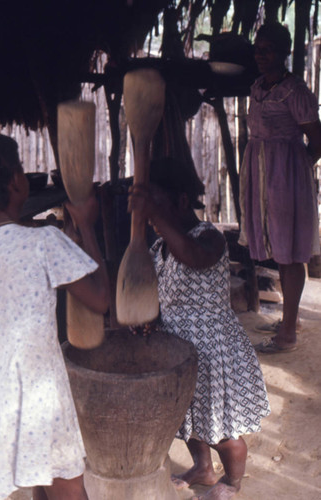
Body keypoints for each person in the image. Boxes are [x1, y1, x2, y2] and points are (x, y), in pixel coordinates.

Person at [128, 157, 270, 500]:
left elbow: (193, 256)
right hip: (179, 350)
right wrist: (151, 319)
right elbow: (164, 293)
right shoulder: (159, 246)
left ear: (179, 201)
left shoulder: (208, 237)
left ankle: (233, 481)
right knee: (188, 418)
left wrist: (156, 215)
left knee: (222, 427)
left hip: (214, 352)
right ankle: (202, 468)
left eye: (156, 205)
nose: (149, 216)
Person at [0, 133, 110, 500]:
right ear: (15, 182)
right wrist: (86, 226)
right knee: (64, 485)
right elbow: (101, 299)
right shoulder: (41, 243)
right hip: (39, 395)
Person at [239, 22, 321, 353]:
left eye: (268, 48)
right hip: (260, 174)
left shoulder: (296, 91)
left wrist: (294, 170)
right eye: (258, 48)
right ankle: (291, 320)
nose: (260, 54)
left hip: (285, 178)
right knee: (279, 250)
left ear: (285, 52)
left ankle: (287, 335)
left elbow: (316, 140)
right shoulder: (258, 87)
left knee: (290, 254)